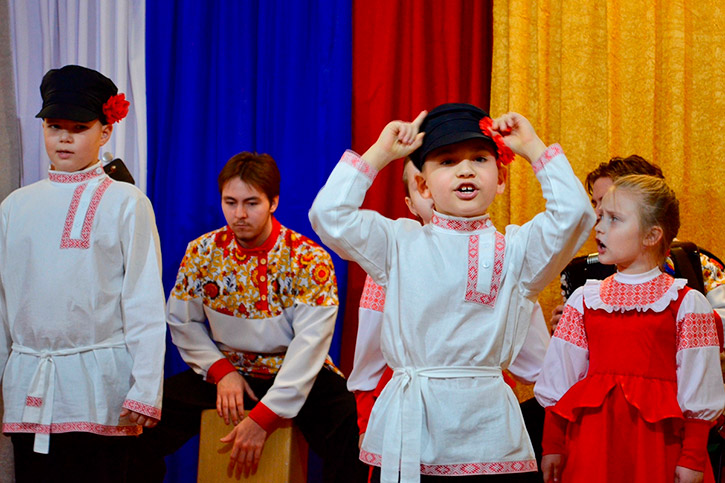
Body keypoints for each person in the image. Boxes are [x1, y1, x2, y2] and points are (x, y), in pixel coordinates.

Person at [310, 103, 595, 481]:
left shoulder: (517, 251)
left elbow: (576, 215)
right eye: (447, 161)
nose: (465, 170)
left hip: (490, 434)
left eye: (480, 158)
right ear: (423, 186)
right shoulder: (397, 243)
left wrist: (534, 148)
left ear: (501, 178)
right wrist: (379, 153)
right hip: (410, 431)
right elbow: (328, 215)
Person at [135, 152, 368, 481]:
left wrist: (264, 418)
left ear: (274, 202)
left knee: (351, 433)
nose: (239, 214)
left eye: (251, 203)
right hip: (228, 369)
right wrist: (221, 372)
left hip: (294, 372)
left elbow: (309, 346)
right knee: (142, 421)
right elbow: (182, 322)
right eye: (230, 202)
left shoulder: (309, 259)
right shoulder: (202, 252)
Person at [0, 65, 166, 482]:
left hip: (100, 386)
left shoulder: (127, 202)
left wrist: (146, 388)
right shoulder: (15, 206)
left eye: (79, 127)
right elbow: (3, 303)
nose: (64, 138)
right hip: (29, 382)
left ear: (105, 132)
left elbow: (144, 300)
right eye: (54, 126)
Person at [347, 160, 552, 479]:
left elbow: (537, 363)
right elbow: (368, 361)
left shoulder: (504, 256)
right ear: (413, 199)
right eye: (424, 182)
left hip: (483, 419)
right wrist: (365, 423)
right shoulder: (390, 260)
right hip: (408, 417)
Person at [535, 175, 725, 483]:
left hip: (657, 446)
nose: (599, 228)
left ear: (651, 235)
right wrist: (553, 444)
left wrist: (692, 456)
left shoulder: (686, 304)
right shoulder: (584, 300)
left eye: (614, 219)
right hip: (593, 444)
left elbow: (699, 384)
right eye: (600, 217)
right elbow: (561, 376)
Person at [550, 155, 725, 333]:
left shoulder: (699, 263)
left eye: (608, 201)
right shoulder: (589, 278)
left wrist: (677, 320)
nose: (596, 213)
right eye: (595, 203)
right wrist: (572, 327)